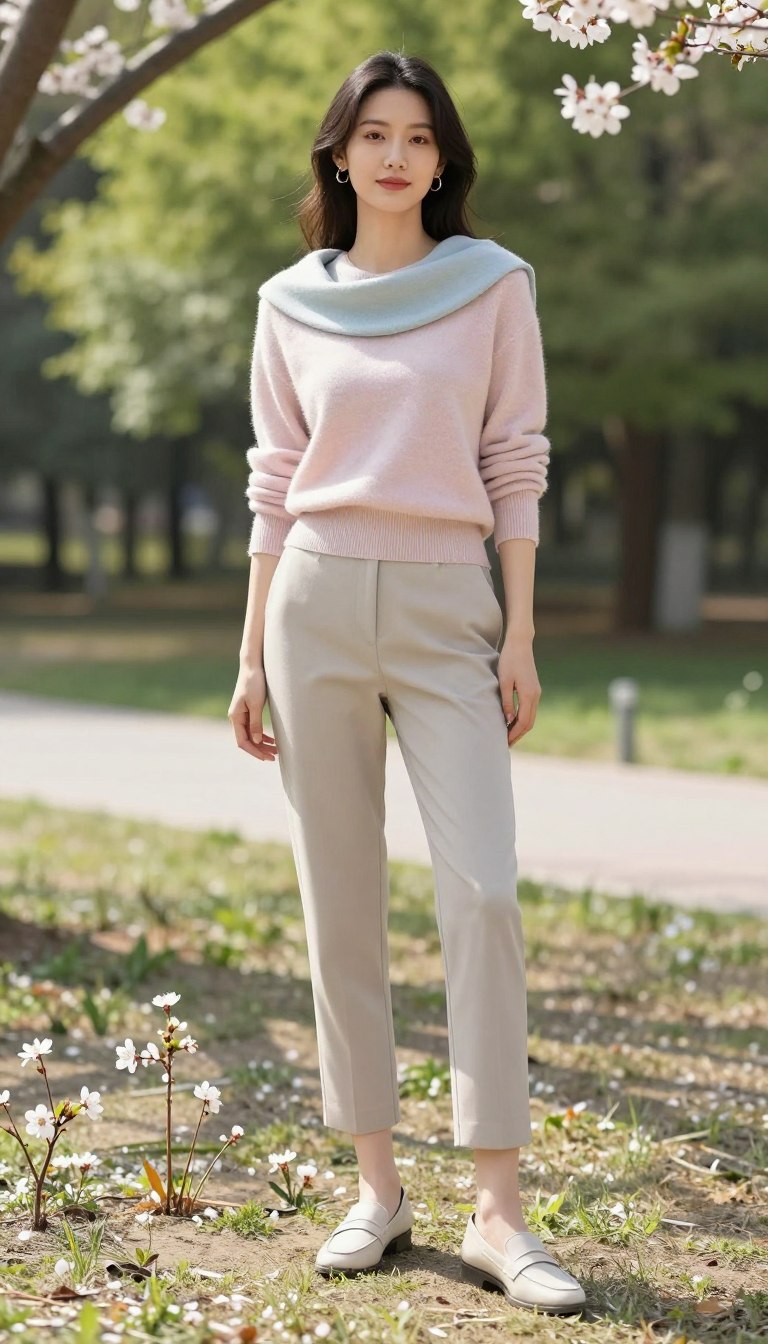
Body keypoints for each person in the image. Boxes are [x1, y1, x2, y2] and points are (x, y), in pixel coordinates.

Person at [229, 50, 586, 1315]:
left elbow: (517, 456)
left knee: (482, 890)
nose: (395, 155)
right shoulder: (286, 301)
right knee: (341, 898)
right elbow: (275, 478)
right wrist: (248, 644)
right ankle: (376, 1190)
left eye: (419, 138)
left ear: (444, 161)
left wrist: (521, 632)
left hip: (449, 611)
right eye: (373, 134)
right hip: (314, 602)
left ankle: (500, 1214)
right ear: (339, 153)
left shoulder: (493, 286)